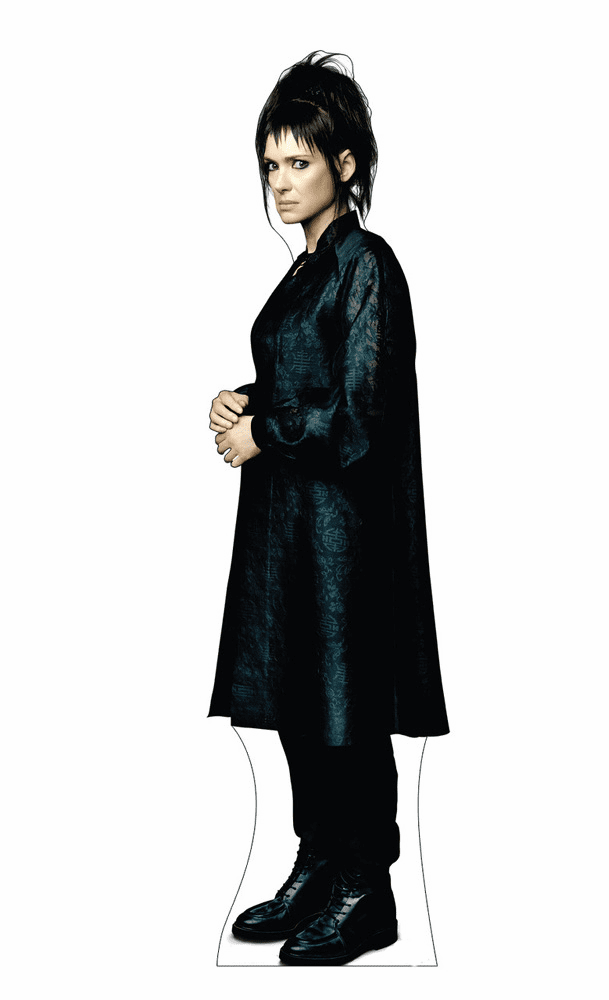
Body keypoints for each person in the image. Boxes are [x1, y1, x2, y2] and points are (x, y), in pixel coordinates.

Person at [207, 51, 449, 967]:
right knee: (300, 704)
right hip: (287, 532)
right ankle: (317, 865)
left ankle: (364, 891)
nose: (280, 181)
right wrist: (243, 400)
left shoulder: (366, 266)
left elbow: (360, 416)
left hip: (344, 535)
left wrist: (264, 431)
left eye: (298, 161)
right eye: (270, 164)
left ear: (344, 164)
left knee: (346, 708)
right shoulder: (303, 271)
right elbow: (297, 379)